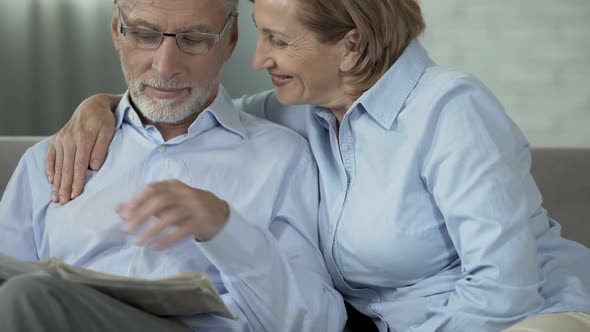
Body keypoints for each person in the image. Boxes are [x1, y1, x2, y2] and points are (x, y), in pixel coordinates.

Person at [47, 0, 590, 331]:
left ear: (351, 46)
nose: (259, 60)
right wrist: (101, 107)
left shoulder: (449, 109)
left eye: (278, 41)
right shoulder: (297, 110)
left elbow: (505, 291)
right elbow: (185, 108)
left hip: (532, 319)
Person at [0, 0, 348, 331]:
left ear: (230, 39)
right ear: (116, 30)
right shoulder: (51, 159)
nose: (165, 67)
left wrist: (226, 229)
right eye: (145, 35)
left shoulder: (284, 158)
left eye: (194, 39)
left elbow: (318, 324)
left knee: (27, 296)